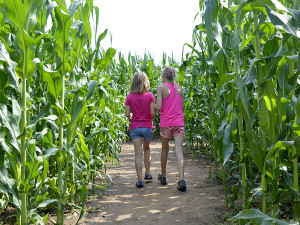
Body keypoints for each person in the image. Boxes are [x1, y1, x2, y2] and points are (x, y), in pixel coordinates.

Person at [155, 67, 186, 191]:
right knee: (179, 151)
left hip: (166, 123)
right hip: (179, 123)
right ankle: (182, 179)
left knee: (165, 149)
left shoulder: (161, 88)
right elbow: (181, 106)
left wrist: (152, 105)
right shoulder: (179, 88)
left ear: (163, 76)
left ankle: (163, 176)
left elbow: (159, 106)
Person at [125, 72, 156, 188]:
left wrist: (134, 113)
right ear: (145, 82)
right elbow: (153, 113)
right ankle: (148, 173)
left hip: (135, 127)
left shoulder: (130, 97)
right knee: (147, 149)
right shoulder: (150, 96)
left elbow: (127, 114)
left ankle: (140, 180)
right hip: (147, 127)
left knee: (138, 153)